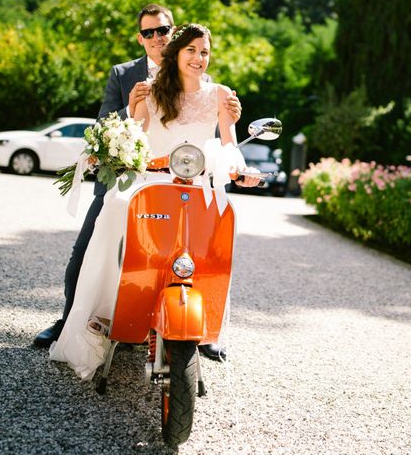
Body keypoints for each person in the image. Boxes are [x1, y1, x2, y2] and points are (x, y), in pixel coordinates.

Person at [49, 23, 259, 380]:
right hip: (152, 180)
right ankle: (104, 313)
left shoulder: (222, 95)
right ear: (176, 54)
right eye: (191, 50)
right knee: (116, 209)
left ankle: (203, 322)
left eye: (204, 52)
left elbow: (228, 144)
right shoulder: (149, 92)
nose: (198, 58)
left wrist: (243, 169)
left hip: (197, 185)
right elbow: (134, 142)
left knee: (217, 233)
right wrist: (131, 114)